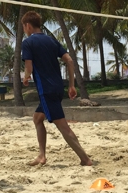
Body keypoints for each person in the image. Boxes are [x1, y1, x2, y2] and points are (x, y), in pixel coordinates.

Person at [21, 10, 92, 166]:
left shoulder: (28, 43)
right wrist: (72, 85)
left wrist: (25, 78)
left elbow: (29, 67)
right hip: (58, 87)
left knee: (63, 126)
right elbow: (70, 61)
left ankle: (85, 159)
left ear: (27, 26)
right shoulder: (51, 41)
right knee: (37, 118)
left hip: (46, 90)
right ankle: (41, 156)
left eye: (24, 28)